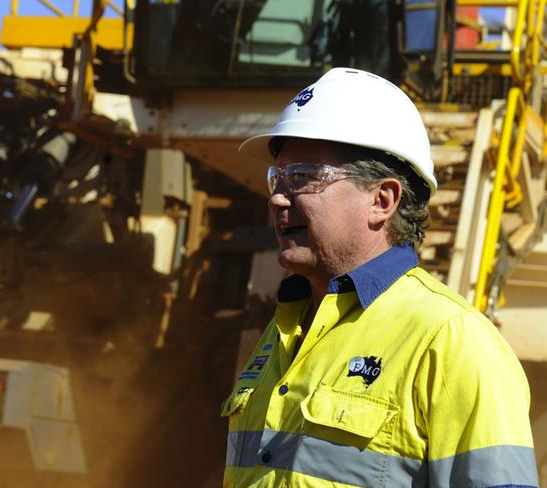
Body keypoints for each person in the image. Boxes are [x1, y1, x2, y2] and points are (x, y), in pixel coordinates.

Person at [221, 67, 538, 487]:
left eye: (302, 178)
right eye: (276, 178)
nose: (278, 197)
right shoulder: (285, 328)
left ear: (382, 200)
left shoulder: (450, 341)